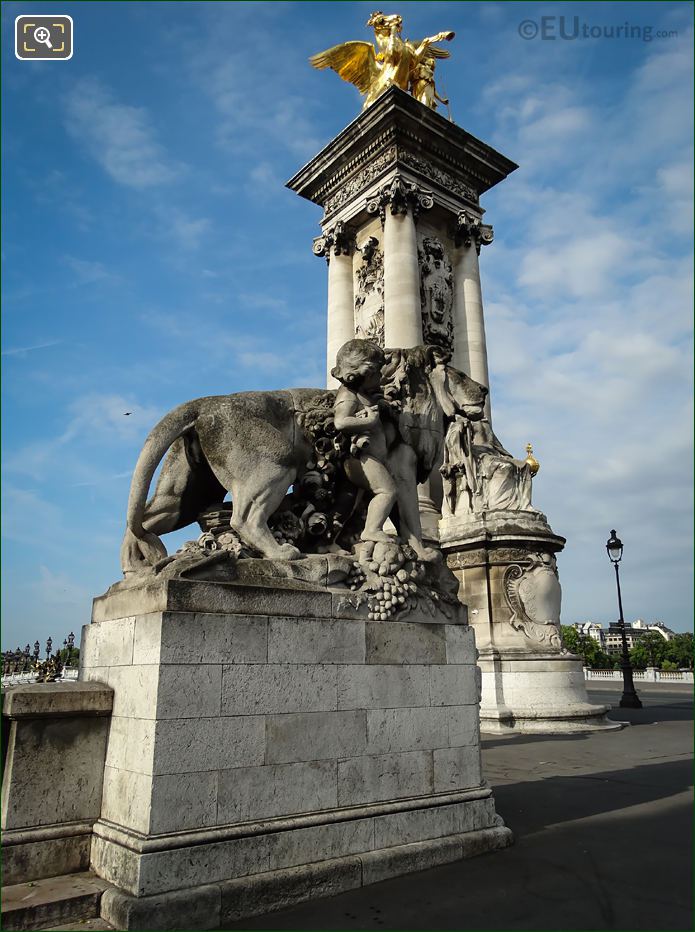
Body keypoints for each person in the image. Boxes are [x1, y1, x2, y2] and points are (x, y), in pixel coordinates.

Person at [331, 340, 398, 543]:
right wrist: (370, 420)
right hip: (362, 458)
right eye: (377, 373)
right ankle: (372, 530)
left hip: (369, 457)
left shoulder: (361, 394)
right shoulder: (349, 396)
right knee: (387, 491)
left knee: (349, 506)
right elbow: (341, 421)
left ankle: (332, 540)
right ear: (364, 374)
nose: (381, 377)